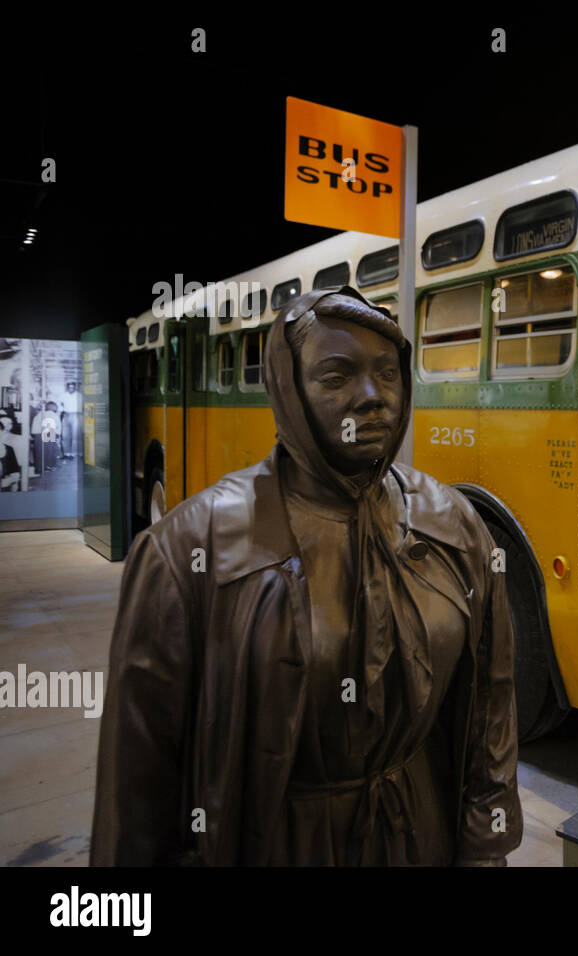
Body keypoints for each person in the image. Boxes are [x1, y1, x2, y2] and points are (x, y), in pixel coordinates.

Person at [92, 287, 522, 866]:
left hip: (421, 837)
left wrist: (485, 849)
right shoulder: (188, 550)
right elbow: (137, 787)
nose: (372, 397)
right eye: (336, 375)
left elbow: (490, 706)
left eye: (387, 374)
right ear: (289, 390)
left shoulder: (454, 525)